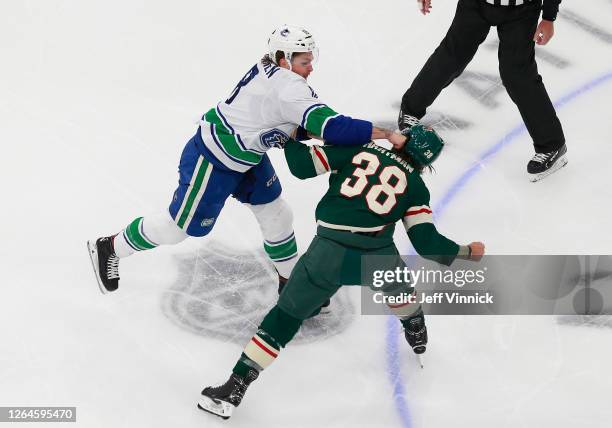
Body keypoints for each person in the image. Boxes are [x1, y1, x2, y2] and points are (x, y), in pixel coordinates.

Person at [86, 25, 406, 295]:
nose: (311, 67)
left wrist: (306, 133)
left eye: (312, 59)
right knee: (177, 230)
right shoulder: (287, 87)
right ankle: (110, 247)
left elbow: (298, 124)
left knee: (277, 213)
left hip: (246, 154)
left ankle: (289, 282)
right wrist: (387, 135)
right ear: (284, 59)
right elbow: (332, 127)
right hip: (213, 159)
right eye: (305, 61)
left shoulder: (275, 73)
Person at [196, 125, 486, 420]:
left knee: (284, 317)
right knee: (399, 288)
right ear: (426, 162)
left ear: (402, 141)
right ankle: (415, 327)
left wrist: (289, 140)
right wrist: (465, 252)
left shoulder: (362, 149)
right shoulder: (416, 187)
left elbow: (302, 166)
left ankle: (236, 385)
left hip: (327, 254)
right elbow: (427, 244)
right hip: (376, 256)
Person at [399, 0, 566, 182]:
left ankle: (552, 145)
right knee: (451, 56)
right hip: (476, 4)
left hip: (522, 10)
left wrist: (549, 16)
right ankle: (410, 110)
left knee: (517, 74)